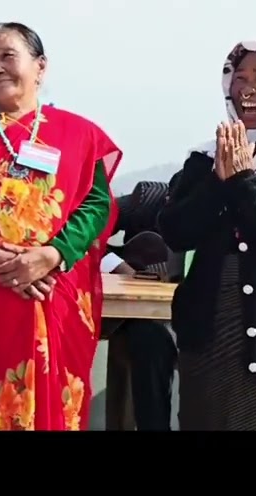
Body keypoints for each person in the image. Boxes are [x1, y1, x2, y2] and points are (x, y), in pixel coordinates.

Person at [0, 22, 121, 431]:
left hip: (56, 288)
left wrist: (53, 254)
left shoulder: (79, 134)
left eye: (7, 56)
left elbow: (98, 203)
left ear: (40, 66)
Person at [157, 38, 256, 430]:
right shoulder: (206, 156)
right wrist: (217, 180)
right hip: (211, 327)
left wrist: (246, 179)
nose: (248, 88)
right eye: (239, 77)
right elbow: (174, 230)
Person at [99, 180, 179, 431]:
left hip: (197, 312)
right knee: (150, 337)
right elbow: (90, 227)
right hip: (137, 317)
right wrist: (121, 267)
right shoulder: (148, 195)